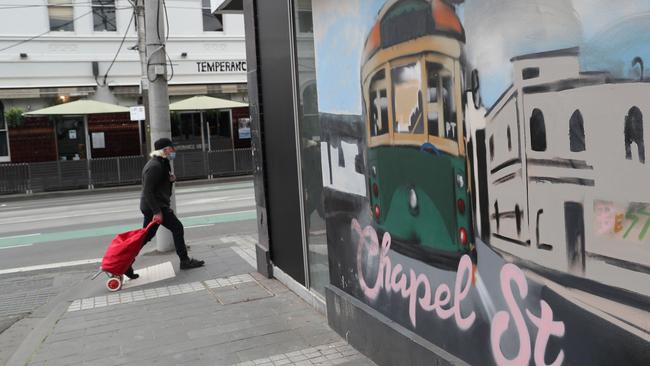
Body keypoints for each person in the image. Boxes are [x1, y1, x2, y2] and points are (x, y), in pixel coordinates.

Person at [124, 137, 204, 279]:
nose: (174, 151)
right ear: (166, 150)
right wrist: (157, 211)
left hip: (154, 205)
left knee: (146, 236)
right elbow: (148, 190)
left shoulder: (161, 162)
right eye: (172, 148)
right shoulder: (155, 166)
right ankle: (184, 261)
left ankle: (126, 264)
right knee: (177, 227)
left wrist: (170, 180)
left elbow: (157, 186)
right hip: (155, 206)